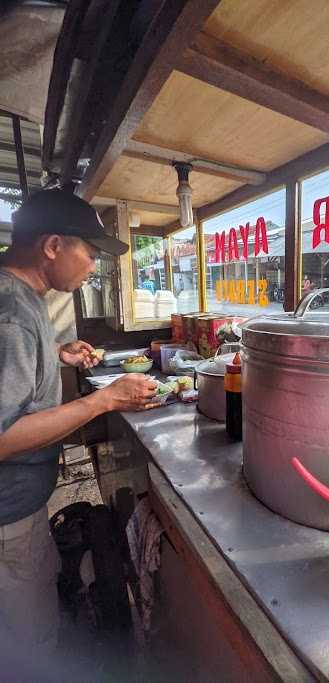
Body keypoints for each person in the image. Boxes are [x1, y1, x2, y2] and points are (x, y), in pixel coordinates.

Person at [0, 189, 157, 658]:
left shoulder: (17, 297)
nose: (93, 267)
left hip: (18, 506)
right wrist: (104, 401)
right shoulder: (11, 313)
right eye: (89, 253)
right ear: (52, 246)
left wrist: (55, 354)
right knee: (31, 639)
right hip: (8, 514)